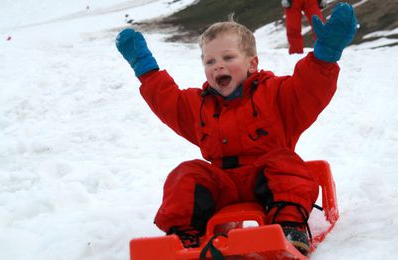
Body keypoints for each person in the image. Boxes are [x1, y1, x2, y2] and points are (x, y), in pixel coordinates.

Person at [115, 2, 357, 256]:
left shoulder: (276, 94)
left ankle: (289, 226)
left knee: (285, 162)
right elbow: (168, 101)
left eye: (228, 57)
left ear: (252, 64)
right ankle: (185, 235)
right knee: (186, 173)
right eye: (210, 61)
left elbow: (309, 88)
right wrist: (145, 68)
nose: (218, 65)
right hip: (223, 184)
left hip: (266, 180)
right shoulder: (198, 106)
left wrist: (325, 55)